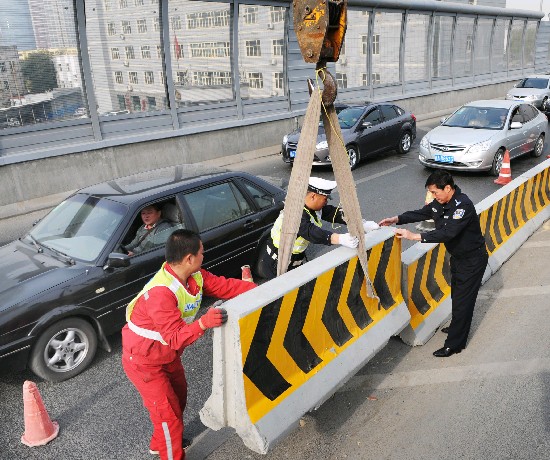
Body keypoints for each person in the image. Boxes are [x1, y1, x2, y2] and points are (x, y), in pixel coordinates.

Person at [121, 229, 256, 460]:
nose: (204, 256)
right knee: (168, 417)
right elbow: (175, 337)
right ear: (189, 258)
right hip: (144, 361)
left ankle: (161, 444)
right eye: (202, 253)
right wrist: (204, 323)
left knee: (178, 399)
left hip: (167, 354)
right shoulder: (161, 294)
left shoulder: (195, 276)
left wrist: (260, 290)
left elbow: (224, 287)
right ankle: (170, 451)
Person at [378, 170, 488, 358]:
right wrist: (396, 219)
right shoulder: (440, 202)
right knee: (458, 296)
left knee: (463, 302)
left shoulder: (463, 206)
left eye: (435, 192)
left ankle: (454, 344)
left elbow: (448, 233)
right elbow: (421, 213)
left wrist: (414, 236)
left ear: (447, 188)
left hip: (473, 259)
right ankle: (457, 327)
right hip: (458, 258)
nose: (433, 196)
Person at [258, 176, 378, 280]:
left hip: (294, 261)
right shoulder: (294, 212)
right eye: (324, 199)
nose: (326, 202)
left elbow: (333, 213)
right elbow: (309, 231)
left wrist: (360, 223)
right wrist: (339, 239)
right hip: (278, 265)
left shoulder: (311, 207)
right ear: (313, 196)